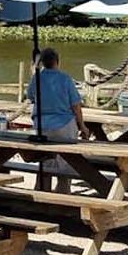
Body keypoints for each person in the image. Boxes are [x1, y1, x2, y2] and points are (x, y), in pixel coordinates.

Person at [25, 47, 89, 192]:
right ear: (57, 61)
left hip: (42, 125)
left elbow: (30, 96)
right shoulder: (65, 78)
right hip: (64, 124)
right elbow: (76, 105)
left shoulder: (37, 78)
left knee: (45, 161)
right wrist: (82, 126)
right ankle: (63, 189)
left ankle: (43, 190)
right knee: (66, 161)